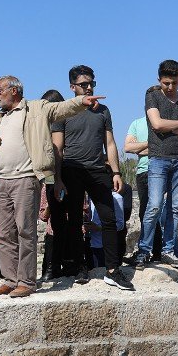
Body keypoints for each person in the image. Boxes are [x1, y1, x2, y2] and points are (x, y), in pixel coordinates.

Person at [0, 75, 103, 298]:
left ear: (14, 90)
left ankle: (27, 282)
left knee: (25, 232)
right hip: (2, 180)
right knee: (2, 234)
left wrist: (81, 101)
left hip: (25, 178)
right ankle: (11, 280)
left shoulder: (37, 109)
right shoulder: (0, 117)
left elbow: (60, 109)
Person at [52, 65, 134, 291]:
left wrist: (116, 172)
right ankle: (80, 267)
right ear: (72, 87)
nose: (88, 88)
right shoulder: (62, 111)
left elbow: (110, 143)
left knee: (109, 219)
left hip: (98, 169)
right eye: (83, 84)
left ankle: (112, 270)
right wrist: (58, 178)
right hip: (72, 169)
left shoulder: (103, 111)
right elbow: (58, 147)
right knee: (75, 220)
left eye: (91, 84)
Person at [135, 60, 178, 268]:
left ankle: (169, 251)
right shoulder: (152, 96)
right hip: (158, 159)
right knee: (154, 206)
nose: (170, 87)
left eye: (174, 83)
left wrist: (169, 127)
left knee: (174, 208)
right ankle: (144, 250)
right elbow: (156, 124)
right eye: (166, 83)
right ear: (159, 80)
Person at [124, 115, 164, 261]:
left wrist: (140, 147)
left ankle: (155, 252)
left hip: (161, 170)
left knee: (156, 212)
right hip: (143, 172)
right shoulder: (136, 123)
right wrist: (152, 144)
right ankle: (151, 252)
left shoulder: (163, 122)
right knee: (145, 212)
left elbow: (166, 148)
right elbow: (128, 147)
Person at [41, 89, 71, 278]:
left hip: (67, 173)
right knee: (55, 224)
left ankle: (67, 265)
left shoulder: (66, 123)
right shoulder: (45, 128)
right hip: (52, 176)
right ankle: (51, 267)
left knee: (69, 222)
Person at [85, 191, 126, 268]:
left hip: (105, 246)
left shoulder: (116, 197)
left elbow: (120, 225)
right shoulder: (91, 196)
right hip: (91, 244)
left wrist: (99, 228)